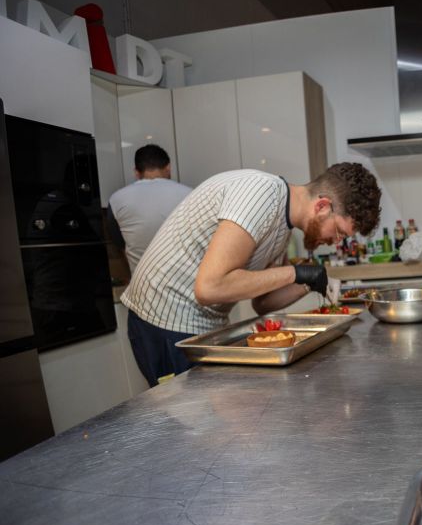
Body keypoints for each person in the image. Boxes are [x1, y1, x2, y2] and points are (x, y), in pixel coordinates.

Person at [121, 163, 381, 386]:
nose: (336, 241)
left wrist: (308, 281)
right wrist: (293, 272)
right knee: (187, 432)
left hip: (200, 327)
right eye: (338, 232)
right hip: (164, 321)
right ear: (322, 206)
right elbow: (209, 288)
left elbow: (263, 303)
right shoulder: (260, 195)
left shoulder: (283, 226)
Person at [108, 145, 192, 274]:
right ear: (168, 167)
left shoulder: (116, 199)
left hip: (142, 285)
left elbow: (119, 242)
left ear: (136, 172)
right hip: (184, 283)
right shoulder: (190, 194)